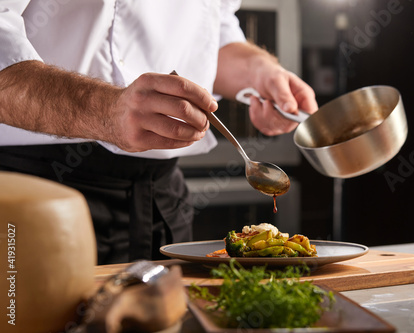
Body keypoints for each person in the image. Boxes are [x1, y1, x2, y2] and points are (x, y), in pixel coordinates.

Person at [0, 1, 318, 264]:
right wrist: (105, 111)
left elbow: (211, 32)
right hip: (36, 195)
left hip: (162, 201)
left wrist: (260, 72)